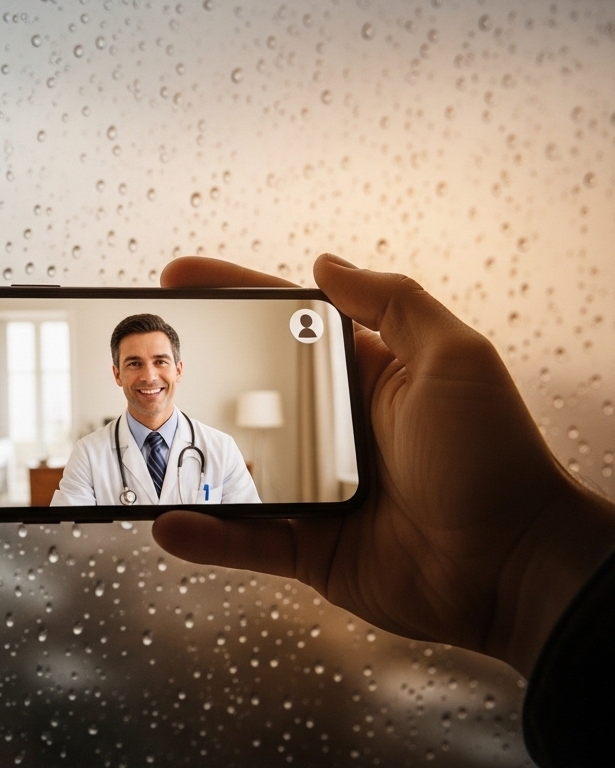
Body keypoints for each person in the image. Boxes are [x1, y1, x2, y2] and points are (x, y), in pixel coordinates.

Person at [149, 254, 615, 768]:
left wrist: (518, 564)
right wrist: (523, 558)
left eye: (159, 365)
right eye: (136, 366)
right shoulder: (107, 453)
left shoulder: (217, 447)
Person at [51, 313, 261, 506]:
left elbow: (250, 533)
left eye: (160, 361)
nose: (149, 377)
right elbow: (67, 536)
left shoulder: (222, 449)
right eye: (134, 363)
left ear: (178, 370)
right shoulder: (88, 454)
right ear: (117, 375)